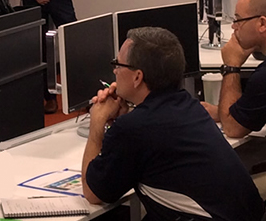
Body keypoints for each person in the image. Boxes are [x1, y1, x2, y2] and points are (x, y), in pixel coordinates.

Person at [82, 27, 263, 221]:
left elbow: (94, 194)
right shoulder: (189, 105)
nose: (114, 70)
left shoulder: (134, 128)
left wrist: (97, 122)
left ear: (137, 77)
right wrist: (123, 119)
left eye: (118, 64)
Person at [202, 0, 266, 138]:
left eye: (238, 20)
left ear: (262, 24)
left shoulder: (263, 76)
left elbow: (233, 129)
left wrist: (231, 66)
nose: (233, 26)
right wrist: (222, 112)